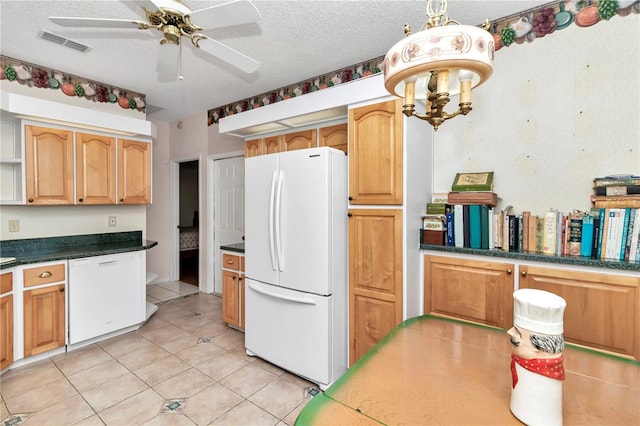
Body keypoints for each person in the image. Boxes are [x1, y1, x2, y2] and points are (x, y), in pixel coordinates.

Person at [508, 288, 566, 425]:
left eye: (518, 335)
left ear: (537, 348)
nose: (509, 332)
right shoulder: (523, 360)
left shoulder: (546, 378)